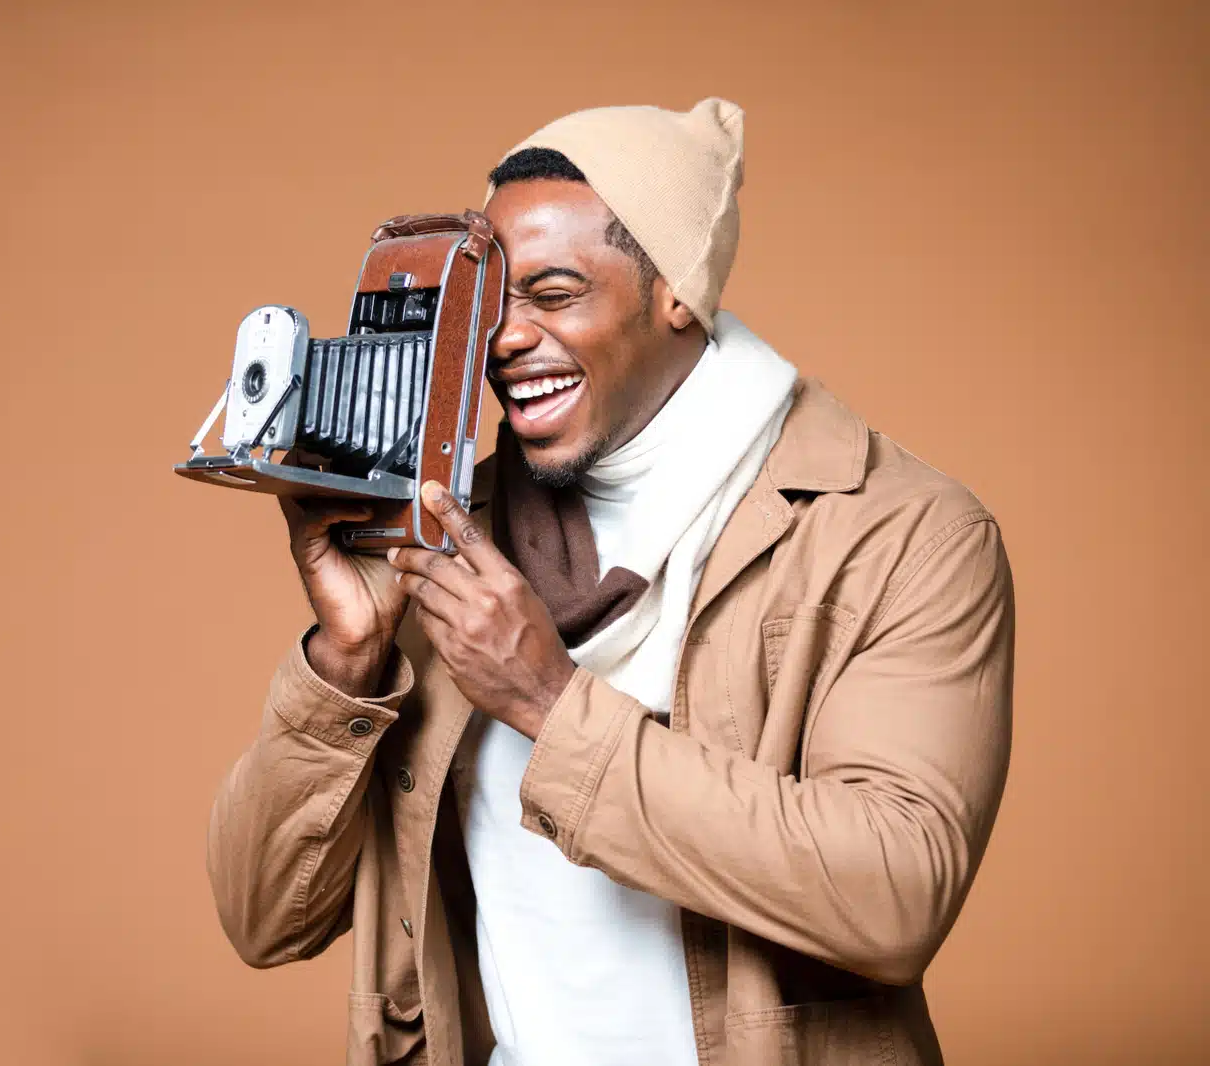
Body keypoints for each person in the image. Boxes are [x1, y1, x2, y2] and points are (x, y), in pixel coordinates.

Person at [205, 98, 1014, 1066]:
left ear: (677, 293)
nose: (503, 338)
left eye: (552, 292)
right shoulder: (450, 527)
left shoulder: (898, 529)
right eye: (489, 299)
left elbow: (894, 895)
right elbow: (263, 921)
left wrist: (549, 701)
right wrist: (345, 663)